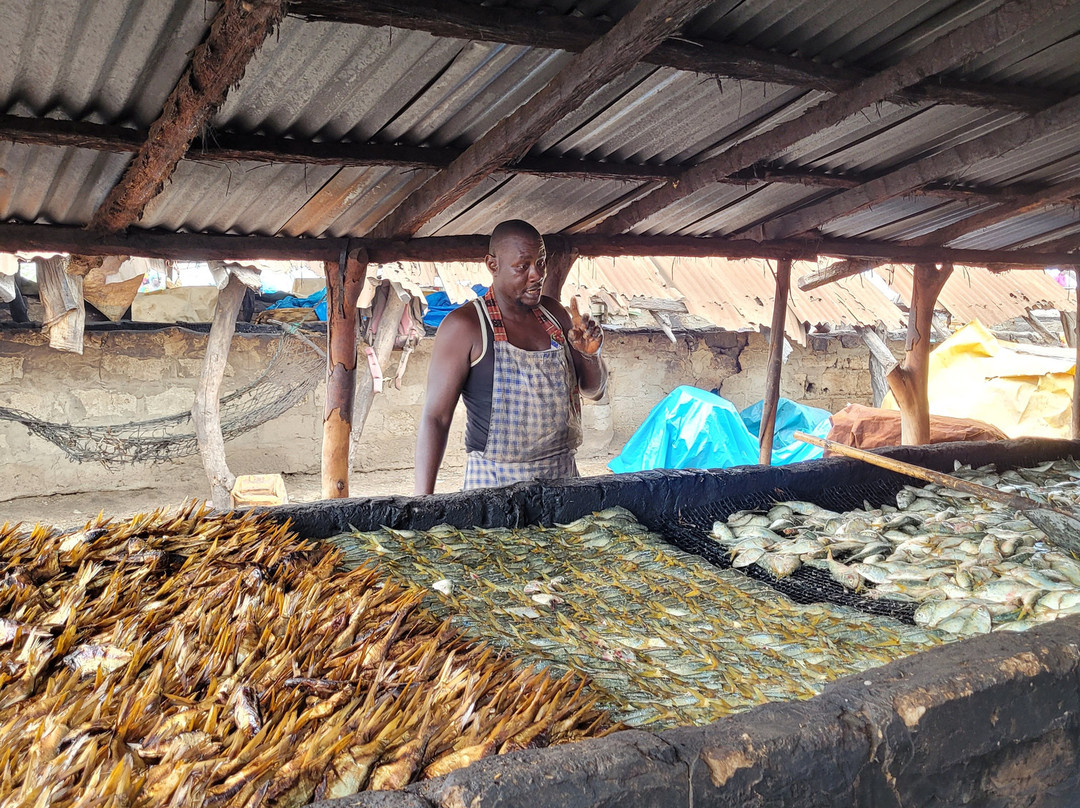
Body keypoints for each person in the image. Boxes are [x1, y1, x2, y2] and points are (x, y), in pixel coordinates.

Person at [414, 220, 607, 494]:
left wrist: (590, 356)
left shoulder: (555, 315)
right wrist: (423, 501)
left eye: (541, 263)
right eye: (522, 266)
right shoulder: (465, 326)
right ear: (493, 265)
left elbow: (594, 391)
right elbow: (436, 418)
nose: (536, 275)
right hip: (494, 485)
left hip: (563, 479)